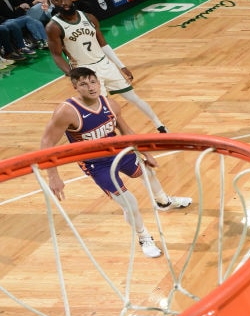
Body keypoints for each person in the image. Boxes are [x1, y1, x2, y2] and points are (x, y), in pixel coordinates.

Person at [40, 67, 192, 258]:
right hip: (97, 164)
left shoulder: (110, 104)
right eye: (83, 84)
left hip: (118, 152)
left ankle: (163, 202)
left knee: (147, 170)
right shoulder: (67, 112)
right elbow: (46, 143)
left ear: (99, 82)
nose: (90, 87)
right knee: (130, 203)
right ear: (75, 87)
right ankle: (144, 237)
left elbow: (126, 131)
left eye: (93, 82)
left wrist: (144, 152)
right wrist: (53, 176)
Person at [45, 0, 170, 134]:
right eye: (57, 0)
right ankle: (112, 139)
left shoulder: (89, 17)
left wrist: (121, 66)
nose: (63, 2)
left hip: (104, 64)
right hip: (86, 72)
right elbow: (56, 55)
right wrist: (72, 74)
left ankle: (160, 125)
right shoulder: (53, 27)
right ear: (52, 3)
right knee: (102, 110)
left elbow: (103, 44)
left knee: (133, 97)